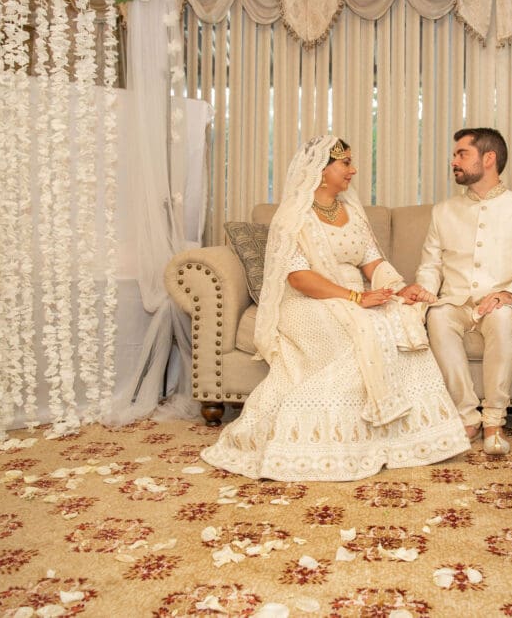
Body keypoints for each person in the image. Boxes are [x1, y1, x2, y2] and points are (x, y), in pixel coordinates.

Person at [201, 136, 470, 481]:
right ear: (321, 169)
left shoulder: (352, 213)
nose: (353, 170)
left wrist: (402, 290)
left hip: (354, 298)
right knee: (363, 331)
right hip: (306, 302)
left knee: (398, 322)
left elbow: (373, 263)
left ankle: (403, 441)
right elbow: (298, 278)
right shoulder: (293, 217)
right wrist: (355, 299)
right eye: (345, 163)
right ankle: (313, 444)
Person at [399, 128, 512, 456]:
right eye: (455, 155)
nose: (453, 161)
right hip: (454, 302)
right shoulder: (443, 211)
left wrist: (509, 295)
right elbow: (431, 265)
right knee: (437, 316)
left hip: (501, 303)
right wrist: (425, 291)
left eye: (461, 154)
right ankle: (466, 415)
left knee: (499, 319)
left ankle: (494, 420)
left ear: (489, 158)